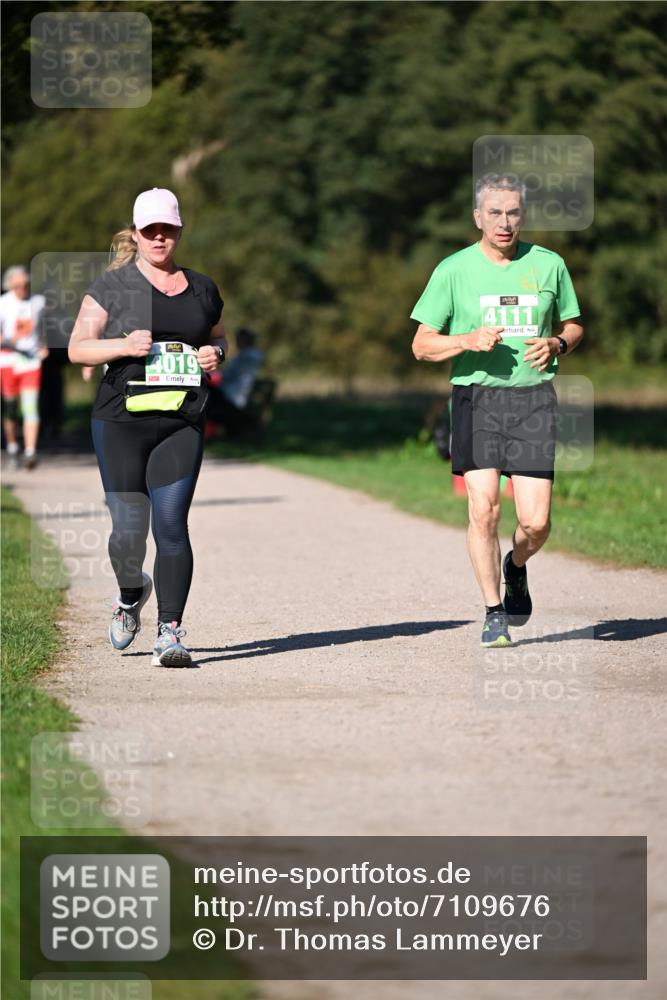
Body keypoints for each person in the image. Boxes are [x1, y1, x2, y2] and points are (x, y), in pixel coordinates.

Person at [411, 173, 584, 648]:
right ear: (477, 217)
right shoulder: (454, 269)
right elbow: (421, 346)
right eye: (494, 213)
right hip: (477, 398)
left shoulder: (549, 265)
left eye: (512, 213)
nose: (504, 222)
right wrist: (466, 340)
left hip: (533, 401)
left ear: (522, 216)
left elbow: (573, 326)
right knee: (483, 509)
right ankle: (493, 611)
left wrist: (556, 343)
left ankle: (517, 566)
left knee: (535, 522)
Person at [68, 187, 226, 667]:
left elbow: (219, 340)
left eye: (168, 229)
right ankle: (131, 590)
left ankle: (170, 632)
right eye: (150, 230)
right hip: (120, 423)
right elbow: (78, 348)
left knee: (172, 525)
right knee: (128, 533)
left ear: (179, 231)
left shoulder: (203, 288)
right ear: (135, 233)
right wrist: (121, 346)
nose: (160, 238)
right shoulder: (111, 287)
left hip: (181, 420)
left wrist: (215, 355)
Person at [0, 265, 49, 469]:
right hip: (8, 360)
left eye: (26, 284)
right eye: (18, 285)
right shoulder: (3, 304)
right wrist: (9, 340)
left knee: (30, 407)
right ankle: (12, 446)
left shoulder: (38, 302)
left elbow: (46, 326)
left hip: (30, 362)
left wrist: (44, 345)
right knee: (11, 408)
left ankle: (30, 452)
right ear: (10, 285)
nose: (23, 288)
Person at [206, 326, 264, 436]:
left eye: (239, 339)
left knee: (206, 392)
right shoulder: (252, 355)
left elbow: (228, 375)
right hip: (234, 394)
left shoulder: (246, 356)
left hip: (233, 396)